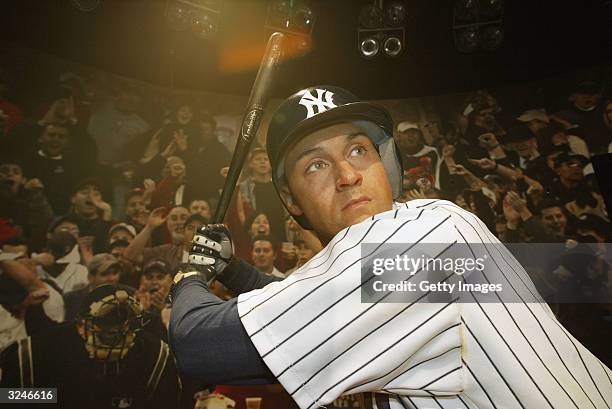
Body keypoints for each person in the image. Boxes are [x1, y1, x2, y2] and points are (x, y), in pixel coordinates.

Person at [169, 86, 612, 408]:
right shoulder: (416, 245)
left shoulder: (420, 237)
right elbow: (320, 304)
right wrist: (234, 272)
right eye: (317, 164)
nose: (347, 175)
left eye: (359, 150)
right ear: (290, 200)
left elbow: (200, 345)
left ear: (387, 166)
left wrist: (189, 277)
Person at [0, 284, 180, 409]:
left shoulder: (154, 355)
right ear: (80, 325)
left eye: (125, 324)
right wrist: (54, 397)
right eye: (107, 326)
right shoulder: (37, 352)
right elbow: (9, 397)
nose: (117, 331)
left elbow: (166, 403)